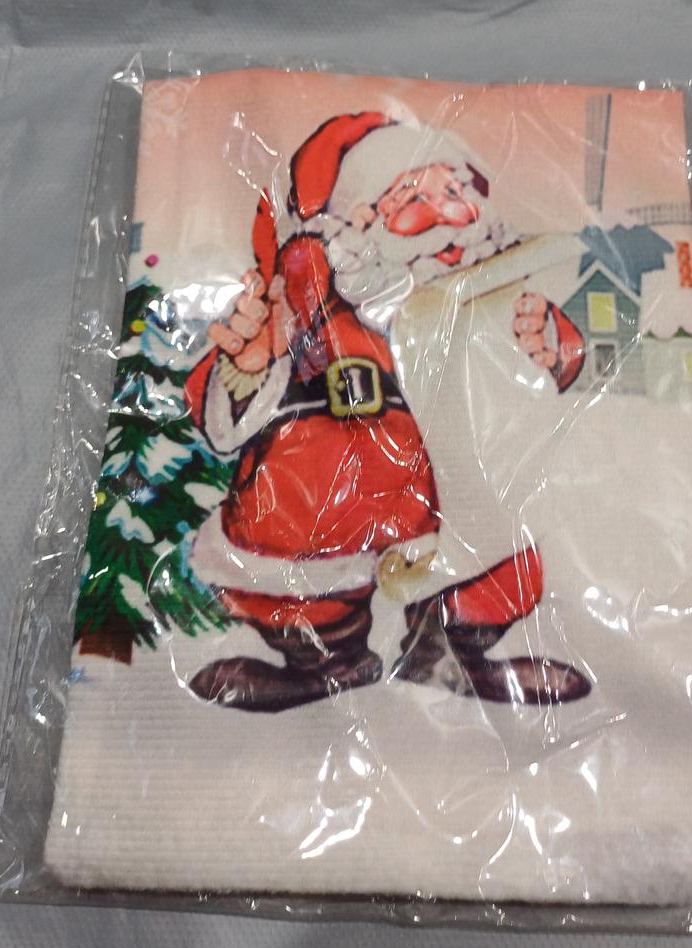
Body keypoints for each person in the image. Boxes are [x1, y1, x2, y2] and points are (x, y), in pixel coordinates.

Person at [185, 112, 590, 711]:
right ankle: (328, 662)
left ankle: (446, 656)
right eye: (413, 196)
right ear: (360, 220)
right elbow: (222, 403)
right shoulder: (309, 303)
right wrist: (247, 367)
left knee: (503, 557)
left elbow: (543, 362)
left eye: (454, 190)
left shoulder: (491, 289)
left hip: (454, 491)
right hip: (328, 498)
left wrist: (548, 348)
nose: (446, 211)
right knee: (293, 572)